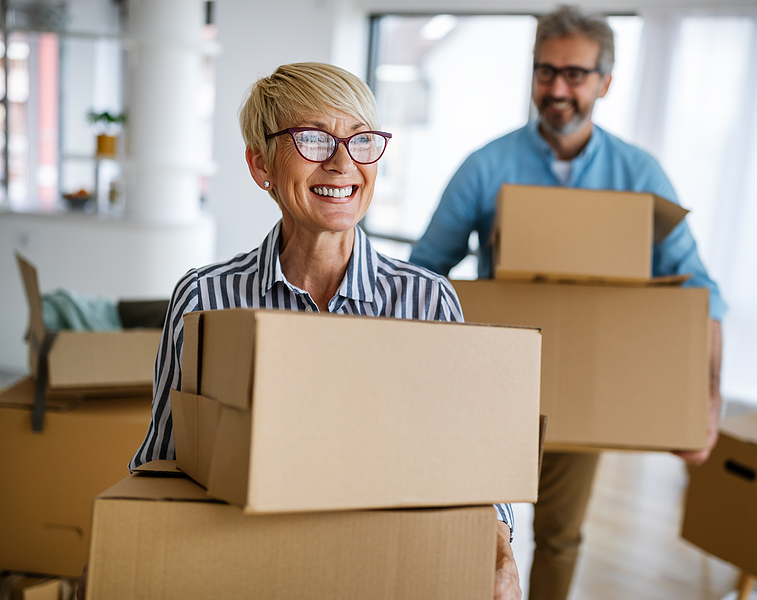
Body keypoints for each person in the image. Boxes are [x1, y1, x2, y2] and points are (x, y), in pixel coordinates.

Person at [119, 63, 520, 600]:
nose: (342, 163)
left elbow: (470, 460)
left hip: (388, 570)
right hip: (245, 569)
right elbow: (164, 454)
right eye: (313, 139)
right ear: (260, 163)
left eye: (361, 141)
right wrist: (119, 548)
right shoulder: (204, 299)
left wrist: (498, 545)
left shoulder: (427, 300)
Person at [409, 7, 725, 600]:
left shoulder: (638, 174)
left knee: (559, 536)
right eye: (545, 71)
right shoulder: (486, 166)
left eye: (575, 75)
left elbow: (702, 292)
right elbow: (425, 271)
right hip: (492, 385)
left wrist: (705, 406)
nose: (557, 88)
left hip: (586, 389)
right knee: (472, 528)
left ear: (605, 82)